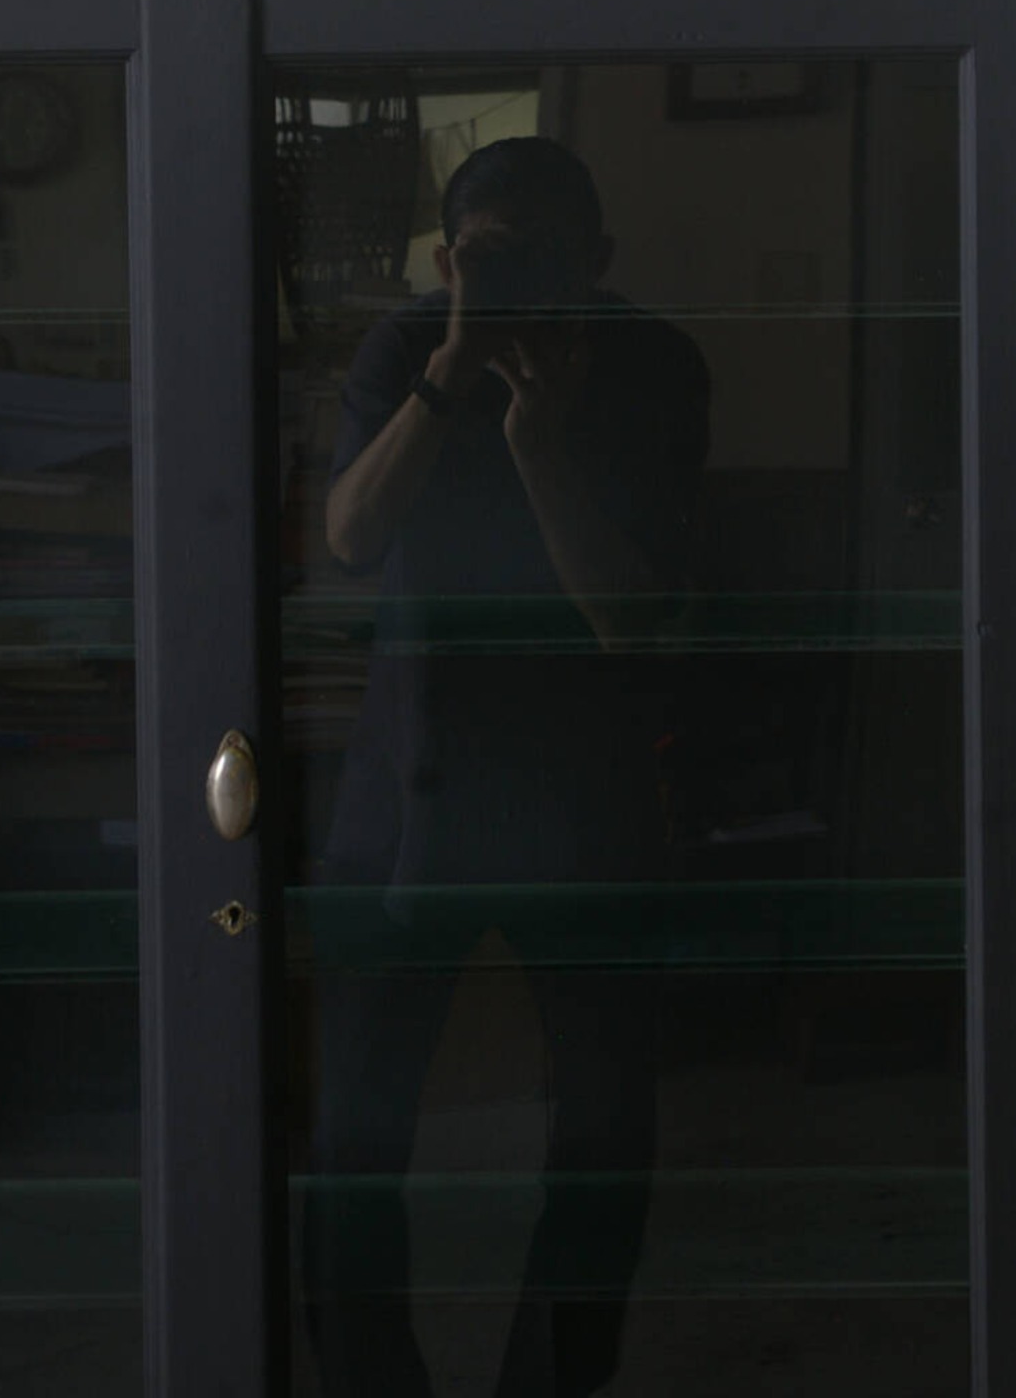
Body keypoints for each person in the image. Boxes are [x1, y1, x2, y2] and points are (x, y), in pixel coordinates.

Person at [304, 137, 710, 1396]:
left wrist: (538, 440)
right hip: (413, 777)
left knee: (601, 1133)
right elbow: (349, 537)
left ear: (597, 261)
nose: (520, 281)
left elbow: (627, 620)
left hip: (584, 791)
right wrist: (448, 373)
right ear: (445, 263)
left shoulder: (652, 365)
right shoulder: (406, 346)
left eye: (545, 257)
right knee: (352, 1130)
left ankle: (552, 1383)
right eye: (490, 257)